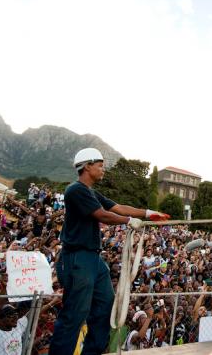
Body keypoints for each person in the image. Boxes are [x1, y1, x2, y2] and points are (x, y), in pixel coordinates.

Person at [49, 148, 170, 355]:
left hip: (93, 259)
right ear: (87, 166)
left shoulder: (91, 192)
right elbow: (103, 215)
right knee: (75, 314)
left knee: (106, 307)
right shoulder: (75, 190)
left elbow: (119, 208)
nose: (103, 169)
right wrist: (129, 221)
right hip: (78, 257)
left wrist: (150, 213)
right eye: (100, 165)